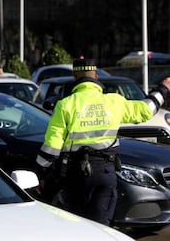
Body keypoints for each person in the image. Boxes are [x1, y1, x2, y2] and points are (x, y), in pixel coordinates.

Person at [34, 58, 170, 226]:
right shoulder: (114, 102)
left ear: (75, 78)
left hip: (76, 176)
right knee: (100, 227)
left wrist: (41, 174)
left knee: (77, 226)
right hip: (105, 173)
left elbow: (51, 147)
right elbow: (146, 109)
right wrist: (163, 89)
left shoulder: (65, 105)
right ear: (96, 77)